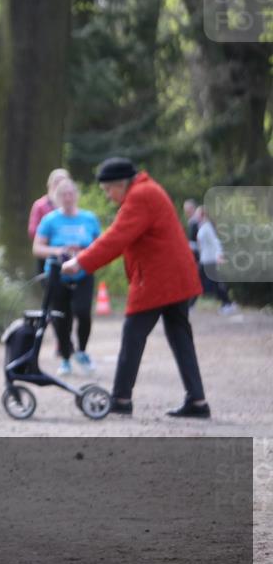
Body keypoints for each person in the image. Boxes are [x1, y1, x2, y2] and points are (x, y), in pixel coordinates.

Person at [62, 158, 210, 418]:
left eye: (108, 190)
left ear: (121, 184)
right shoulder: (146, 190)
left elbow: (117, 237)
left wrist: (80, 262)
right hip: (174, 276)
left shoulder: (141, 195)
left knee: (133, 334)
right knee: (180, 337)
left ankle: (120, 398)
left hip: (159, 278)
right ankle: (197, 402)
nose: (108, 195)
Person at [32, 178, 101, 377]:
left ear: (76, 195)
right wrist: (58, 250)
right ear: (57, 197)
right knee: (61, 317)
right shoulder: (50, 220)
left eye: (71, 193)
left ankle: (82, 351)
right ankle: (65, 358)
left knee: (83, 312)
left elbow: (101, 245)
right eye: (63, 194)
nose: (68, 198)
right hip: (58, 275)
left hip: (83, 272)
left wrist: (85, 254)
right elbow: (37, 248)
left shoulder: (89, 218)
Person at [28, 168, 71, 276]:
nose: (60, 185)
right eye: (57, 182)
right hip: (47, 253)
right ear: (50, 185)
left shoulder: (72, 207)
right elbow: (33, 231)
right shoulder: (40, 206)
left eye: (63, 182)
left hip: (69, 254)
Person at [196, 205, 237, 314]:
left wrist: (219, 254)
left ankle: (227, 303)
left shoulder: (207, 227)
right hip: (204, 259)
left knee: (213, 283)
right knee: (201, 281)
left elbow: (216, 242)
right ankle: (227, 303)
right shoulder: (203, 226)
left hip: (209, 260)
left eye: (197, 214)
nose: (195, 216)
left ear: (202, 215)